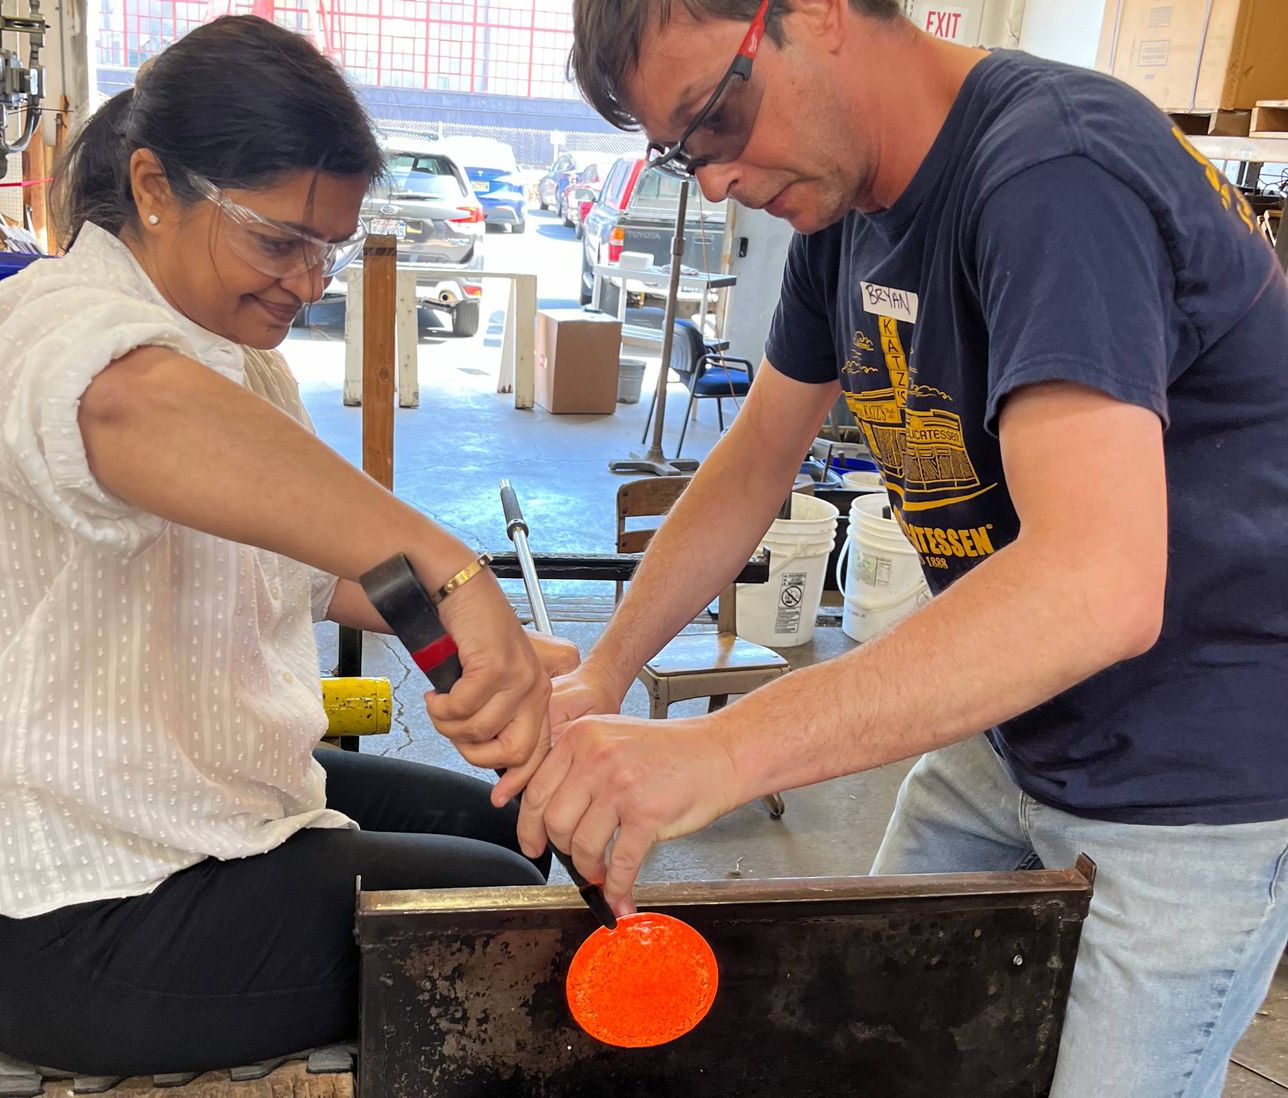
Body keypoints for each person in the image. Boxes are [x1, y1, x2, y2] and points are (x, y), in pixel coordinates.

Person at [506, 2, 1288, 1095]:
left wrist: (725, 752)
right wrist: (605, 671)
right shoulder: (846, 204)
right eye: (683, 157)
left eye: (717, 119)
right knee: (877, 1042)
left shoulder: (1055, 172)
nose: (718, 180)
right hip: (1012, 727)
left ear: (817, 14)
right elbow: (754, 458)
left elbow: (1097, 587)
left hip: (1187, 772)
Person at [0, 15, 574, 1076]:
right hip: (58, 908)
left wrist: (485, 649)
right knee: (506, 921)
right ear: (154, 188)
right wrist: (452, 571)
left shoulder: (245, 367)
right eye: (277, 240)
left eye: (326, 251)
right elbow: (122, 408)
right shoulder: (44, 321)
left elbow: (311, 563)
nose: (306, 281)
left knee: (508, 823)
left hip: (190, 793)